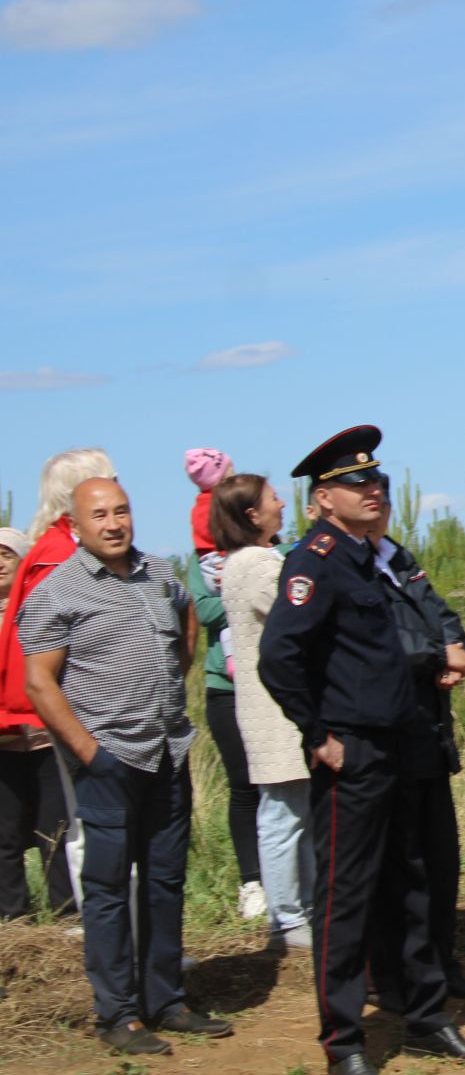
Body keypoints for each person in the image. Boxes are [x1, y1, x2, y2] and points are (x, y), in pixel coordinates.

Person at [257, 427, 465, 1075]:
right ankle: (344, 1045)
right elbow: (278, 657)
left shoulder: (375, 558)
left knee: (414, 884)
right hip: (354, 751)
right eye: (358, 484)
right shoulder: (315, 560)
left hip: (406, 745)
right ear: (323, 498)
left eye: (380, 482)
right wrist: (317, 733)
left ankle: (425, 1020)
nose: (374, 492)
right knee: (345, 899)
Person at [18, 479, 230, 1057]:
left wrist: (161, 699)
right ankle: (117, 1013)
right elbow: (40, 682)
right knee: (108, 889)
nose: (113, 524)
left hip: (167, 752)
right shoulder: (56, 591)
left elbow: (186, 632)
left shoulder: (161, 574)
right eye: (99, 515)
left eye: (121, 511)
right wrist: (91, 753)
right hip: (106, 760)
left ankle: (166, 999)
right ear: (76, 525)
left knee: (165, 880)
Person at [366, 485, 465, 1002]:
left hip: (430, 731)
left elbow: (443, 617)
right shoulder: (344, 567)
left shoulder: (399, 557)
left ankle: (440, 962)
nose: (378, 506)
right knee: (395, 863)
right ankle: (388, 976)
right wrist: (438, 657)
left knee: (440, 857)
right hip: (386, 735)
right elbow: (379, 641)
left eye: (383, 499)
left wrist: (453, 645)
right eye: (367, 495)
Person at [0, 447, 114, 919]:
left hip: (60, 715)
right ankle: (89, 927)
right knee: (84, 825)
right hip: (64, 712)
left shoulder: (58, 550)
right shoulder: (58, 556)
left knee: (70, 824)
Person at [209, 475, 312, 950]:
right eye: (272, 498)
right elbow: (299, 616)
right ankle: (288, 918)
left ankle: (300, 911)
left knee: (294, 810)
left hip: (273, 705)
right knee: (282, 812)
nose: (281, 504)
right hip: (275, 710)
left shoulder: (251, 560)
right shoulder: (256, 564)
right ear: (252, 514)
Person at [183, 452, 265, 925]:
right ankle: (250, 881)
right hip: (225, 685)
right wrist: (240, 589)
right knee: (242, 786)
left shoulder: (277, 553)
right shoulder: (201, 565)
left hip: (271, 683)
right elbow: (208, 612)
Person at [0, 524, 73, 922]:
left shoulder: (42, 608)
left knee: (54, 830)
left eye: (7, 554)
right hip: (4, 743)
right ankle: (13, 917)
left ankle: (65, 913)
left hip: (46, 738)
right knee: (4, 835)